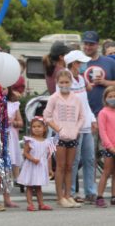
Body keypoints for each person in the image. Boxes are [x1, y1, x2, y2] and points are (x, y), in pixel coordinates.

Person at [44, 69, 85, 208]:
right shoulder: (54, 98)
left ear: (71, 82)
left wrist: (76, 129)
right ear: (57, 82)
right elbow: (47, 117)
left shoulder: (76, 99)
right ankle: (60, 196)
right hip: (60, 137)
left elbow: (81, 117)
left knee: (70, 167)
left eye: (67, 82)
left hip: (73, 136)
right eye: (61, 82)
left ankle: (68, 195)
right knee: (60, 167)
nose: (64, 84)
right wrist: (59, 129)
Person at [64, 50, 97, 204]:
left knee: (90, 159)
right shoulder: (65, 79)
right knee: (74, 160)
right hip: (74, 127)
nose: (83, 65)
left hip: (86, 125)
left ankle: (91, 192)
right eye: (80, 62)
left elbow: (85, 103)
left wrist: (92, 119)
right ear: (73, 64)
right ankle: (69, 193)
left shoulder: (82, 79)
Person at [16, 117, 55, 211]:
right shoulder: (30, 140)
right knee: (29, 186)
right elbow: (25, 153)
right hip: (31, 166)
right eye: (34, 127)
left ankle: (41, 204)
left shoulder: (47, 142)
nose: (36, 128)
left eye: (39, 126)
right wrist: (32, 159)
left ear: (44, 128)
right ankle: (30, 204)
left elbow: (48, 157)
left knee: (38, 186)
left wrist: (50, 169)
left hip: (40, 167)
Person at [82, 31, 115, 117]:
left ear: (98, 45)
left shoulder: (110, 62)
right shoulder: (77, 63)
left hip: (107, 112)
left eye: (91, 44)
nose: (88, 47)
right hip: (82, 113)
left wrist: (105, 82)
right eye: (86, 44)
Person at [96, 86, 115, 208]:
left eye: (114, 96)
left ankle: (114, 196)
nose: (113, 99)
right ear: (105, 98)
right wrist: (110, 147)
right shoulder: (103, 113)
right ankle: (100, 196)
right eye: (110, 97)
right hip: (109, 148)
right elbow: (102, 132)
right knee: (106, 172)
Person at [5, 85, 23, 208]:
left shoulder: (14, 104)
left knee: (8, 168)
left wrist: (13, 122)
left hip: (11, 136)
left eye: (5, 87)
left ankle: (7, 198)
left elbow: (20, 122)